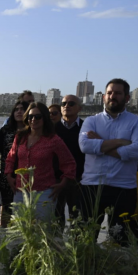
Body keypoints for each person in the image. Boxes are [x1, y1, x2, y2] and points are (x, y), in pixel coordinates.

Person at [79, 78, 138, 243]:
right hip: (92, 185)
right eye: (109, 93)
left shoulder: (135, 122)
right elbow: (85, 146)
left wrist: (99, 143)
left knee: (122, 239)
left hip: (123, 187)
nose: (113, 96)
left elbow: (136, 150)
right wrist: (120, 142)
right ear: (104, 96)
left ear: (126, 98)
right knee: (85, 238)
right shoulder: (92, 121)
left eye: (118, 93)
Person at [4, 103, 76, 220]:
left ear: (45, 118)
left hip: (44, 192)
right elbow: (10, 158)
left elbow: (69, 162)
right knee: (20, 228)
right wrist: (8, 175)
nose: (33, 119)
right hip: (20, 191)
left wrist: (63, 183)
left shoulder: (53, 140)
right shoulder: (20, 137)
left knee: (41, 231)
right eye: (30, 116)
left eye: (38, 116)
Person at [54, 95, 84, 224]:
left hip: (79, 180)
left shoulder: (86, 127)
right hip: (55, 179)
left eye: (71, 103)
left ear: (79, 108)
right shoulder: (52, 129)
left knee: (77, 219)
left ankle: (76, 244)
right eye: (64, 103)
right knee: (55, 217)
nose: (66, 106)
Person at [0, 100, 29, 226]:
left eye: (22, 109)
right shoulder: (5, 130)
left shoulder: (32, 130)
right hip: (8, 173)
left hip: (27, 174)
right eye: (16, 109)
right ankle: (4, 232)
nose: (19, 112)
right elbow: (0, 147)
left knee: (25, 208)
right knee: (7, 206)